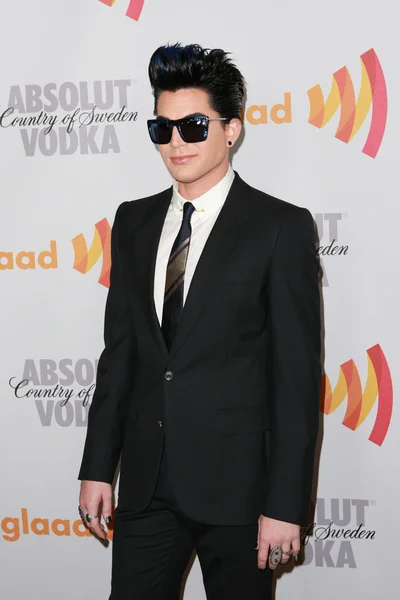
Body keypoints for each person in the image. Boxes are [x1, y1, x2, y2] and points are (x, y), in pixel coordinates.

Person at [77, 43, 321, 600]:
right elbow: (120, 356)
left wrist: (284, 507)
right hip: (145, 487)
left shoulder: (279, 228)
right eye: (161, 129)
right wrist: (97, 467)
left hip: (239, 495)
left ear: (231, 129)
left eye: (192, 126)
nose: (176, 143)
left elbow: (296, 382)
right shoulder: (132, 221)